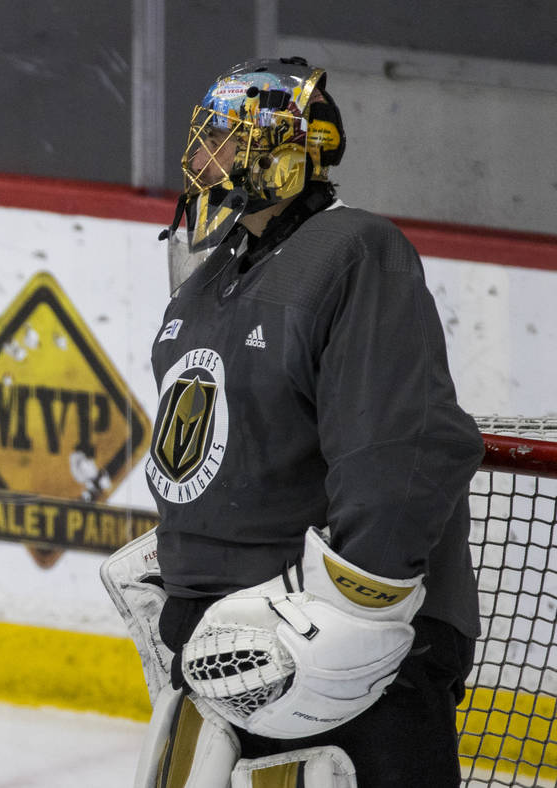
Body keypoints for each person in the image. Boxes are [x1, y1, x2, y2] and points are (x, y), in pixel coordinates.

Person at [102, 57, 483, 787]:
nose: (202, 156)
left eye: (226, 138)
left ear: (286, 153)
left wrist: (353, 619)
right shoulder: (210, 275)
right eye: (204, 136)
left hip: (329, 649)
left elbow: (400, 450)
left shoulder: (354, 252)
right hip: (226, 644)